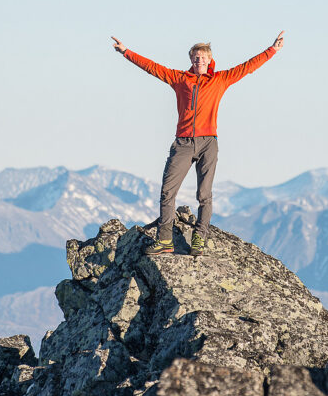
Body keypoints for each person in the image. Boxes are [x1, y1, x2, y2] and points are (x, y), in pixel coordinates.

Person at [111, 31, 285, 256]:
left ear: (210, 60)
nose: (199, 60)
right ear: (191, 60)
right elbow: (152, 67)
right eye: (195, 57)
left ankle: (199, 240)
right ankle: (165, 240)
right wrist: (126, 52)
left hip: (208, 143)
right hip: (183, 143)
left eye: (203, 57)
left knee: (205, 195)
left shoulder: (221, 79)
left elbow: (247, 67)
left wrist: (272, 50)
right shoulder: (180, 79)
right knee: (167, 191)